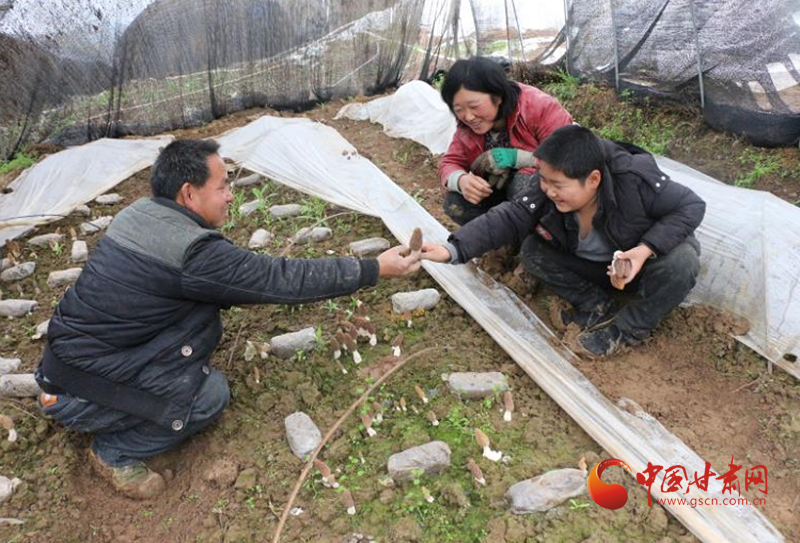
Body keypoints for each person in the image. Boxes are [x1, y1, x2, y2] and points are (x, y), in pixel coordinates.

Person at [34, 139, 425, 499]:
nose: (230, 195)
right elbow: (280, 279)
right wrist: (374, 268)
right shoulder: (192, 253)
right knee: (209, 395)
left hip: (66, 369)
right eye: (222, 186)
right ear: (189, 192)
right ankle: (114, 451)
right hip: (80, 390)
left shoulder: (140, 214)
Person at [423, 125, 705, 357]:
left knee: (682, 261)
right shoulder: (548, 183)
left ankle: (625, 330)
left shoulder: (633, 180)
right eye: (545, 181)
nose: (548, 190)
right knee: (533, 251)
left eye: (558, 186)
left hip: (638, 268)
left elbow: (692, 206)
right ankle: (597, 305)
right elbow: (511, 216)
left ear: (593, 180)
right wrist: (453, 249)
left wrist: (644, 251)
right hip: (591, 266)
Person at [438, 56, 573, 226]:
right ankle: (500, 239)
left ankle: (538, 237)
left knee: (523, 185)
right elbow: (449, 162)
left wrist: (519, 158)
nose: (469, 117)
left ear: (498, 96)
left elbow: (570, 156)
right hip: (500, 195)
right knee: (456, 203)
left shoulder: (538, 106)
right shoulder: (466, 128)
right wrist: (461, 180)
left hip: (539, 196)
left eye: (474, 106)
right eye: (459, 110)